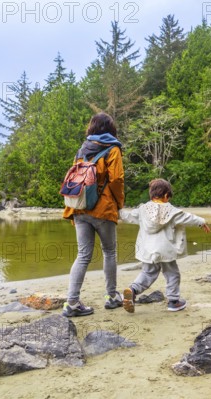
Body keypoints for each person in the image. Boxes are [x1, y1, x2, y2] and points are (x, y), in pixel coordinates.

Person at [62, 112, 125, 317]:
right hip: (103, 208)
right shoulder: (113, 149)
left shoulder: (82, 148)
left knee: (83, 256)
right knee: (109, 252)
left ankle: (71, 302)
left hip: (80, 207)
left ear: (92, 127)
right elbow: (116, 180)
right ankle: (112, 297)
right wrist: (119, 204)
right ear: (110, 128)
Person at [119, 178, 210, 313]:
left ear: (151, 194)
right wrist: (202, 222)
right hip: (165, 250)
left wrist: (115, 210)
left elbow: (127, 216)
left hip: (148, 250)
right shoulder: (171, 211)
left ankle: (132, 290)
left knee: (147, 273)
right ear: (166, 195)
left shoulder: (142, 210)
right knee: (172, 274)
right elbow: (188, 217)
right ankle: (173, 301)